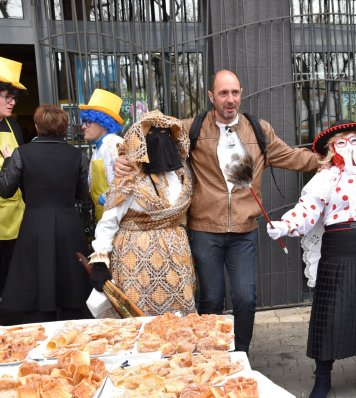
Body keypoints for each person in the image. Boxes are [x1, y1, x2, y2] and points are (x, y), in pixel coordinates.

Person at [114, 69, 319, 352]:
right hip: (204, 230)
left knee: (245, 298)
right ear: (212, 96)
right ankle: (211, 354)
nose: (230, 99)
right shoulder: (191, 128)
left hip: (243, 232)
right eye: (223, 93)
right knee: (211, 298)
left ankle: (241, 353)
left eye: (235, 92)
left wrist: (327, 161)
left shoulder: (258, 130)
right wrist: (123, 158)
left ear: (241, 93)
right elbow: (146, 135)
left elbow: (292, 156)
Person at [266, 120, 356, 398]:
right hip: (339, 251)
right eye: (341, 143)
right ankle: (322, 378)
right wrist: (284, 226)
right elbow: (307, 209)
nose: (349, 146)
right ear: (332, 150)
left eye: (354, 140)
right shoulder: (326, 177)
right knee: (332, 315)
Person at [88, 110, 196, 317]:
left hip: (177, 259)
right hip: (136, 261)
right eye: (152, 134)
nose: (160, 139)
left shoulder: (183, 173)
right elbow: (109, 220)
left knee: (177, 320)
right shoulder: (128, 178)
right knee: (139, 318)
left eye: (165, 133)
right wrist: (100, 261)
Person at [0, 105, 91, 323]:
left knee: (35, 274)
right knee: (69, 276)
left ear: (36, 126)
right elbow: (82, 194)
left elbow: (5, 189)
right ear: (64, 128)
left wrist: (7, 161)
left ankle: (38, 324)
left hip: (34, 223)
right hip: (68, 223)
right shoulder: (77, 155)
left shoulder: (21, 154)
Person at [0, 57, 26, 309]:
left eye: (14, 97)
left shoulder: (13, 125)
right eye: (7, 96)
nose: (12, 102)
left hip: (15, 215)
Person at [79, 88, 125, 222]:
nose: (83, 127)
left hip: (115, 218)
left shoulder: (116, 145)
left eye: (88, 122)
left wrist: (104, 197)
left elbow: (126, 183)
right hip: (103, 216)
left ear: (103, 122)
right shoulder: (98, 148)